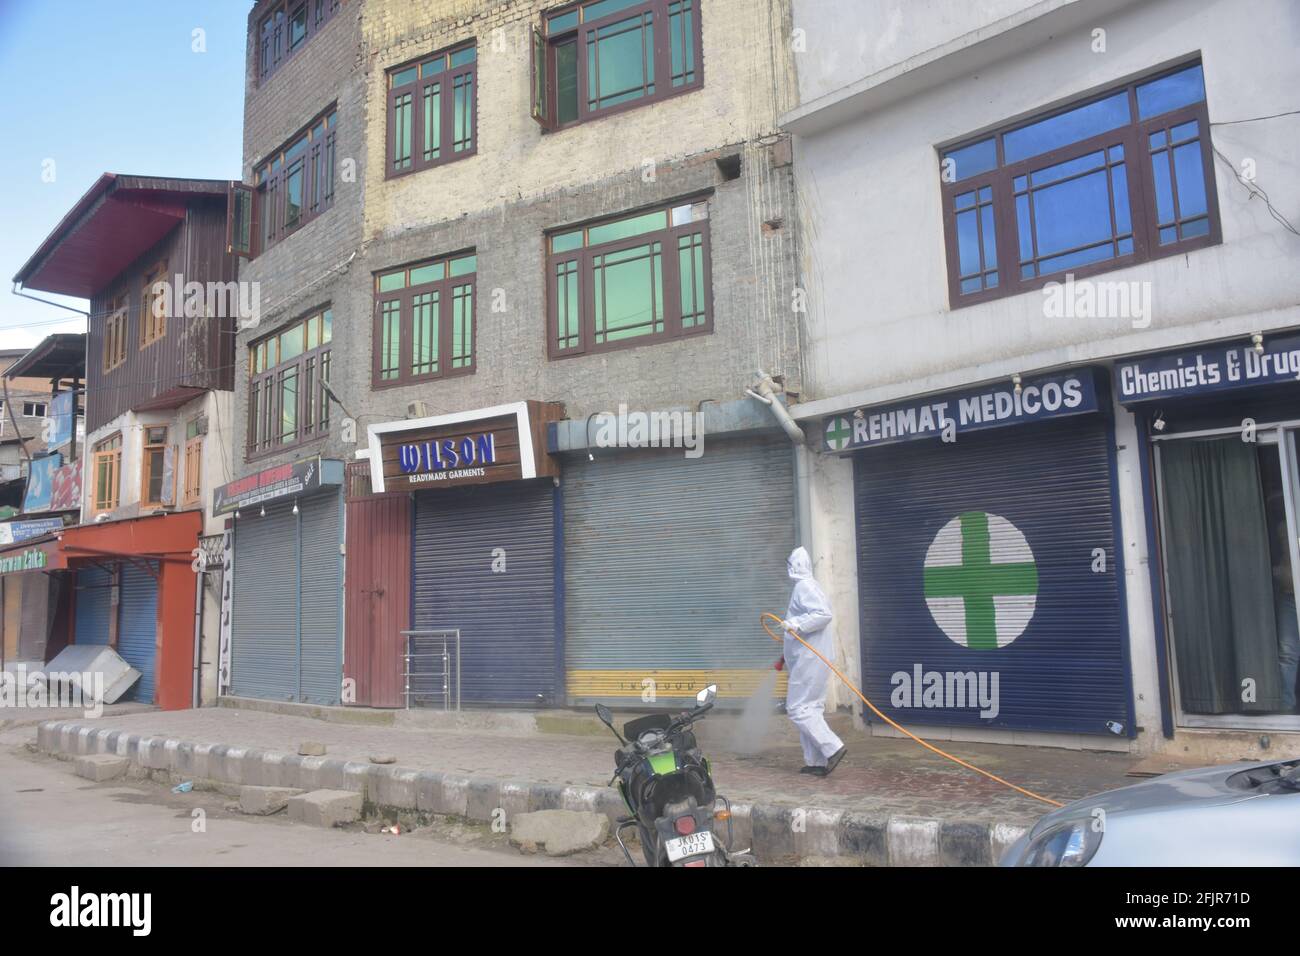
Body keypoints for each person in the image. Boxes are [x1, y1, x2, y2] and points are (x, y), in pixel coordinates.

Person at [775, 547, 846, 777]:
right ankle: (816, 762)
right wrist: (785, 655)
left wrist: (796, 624)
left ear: (794, 565)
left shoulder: (803, 586)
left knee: (797, 709)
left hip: (811, 659)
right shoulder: (808, 586)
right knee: (810, 708)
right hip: (811, 657)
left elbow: (823, 614)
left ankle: (833, 747)